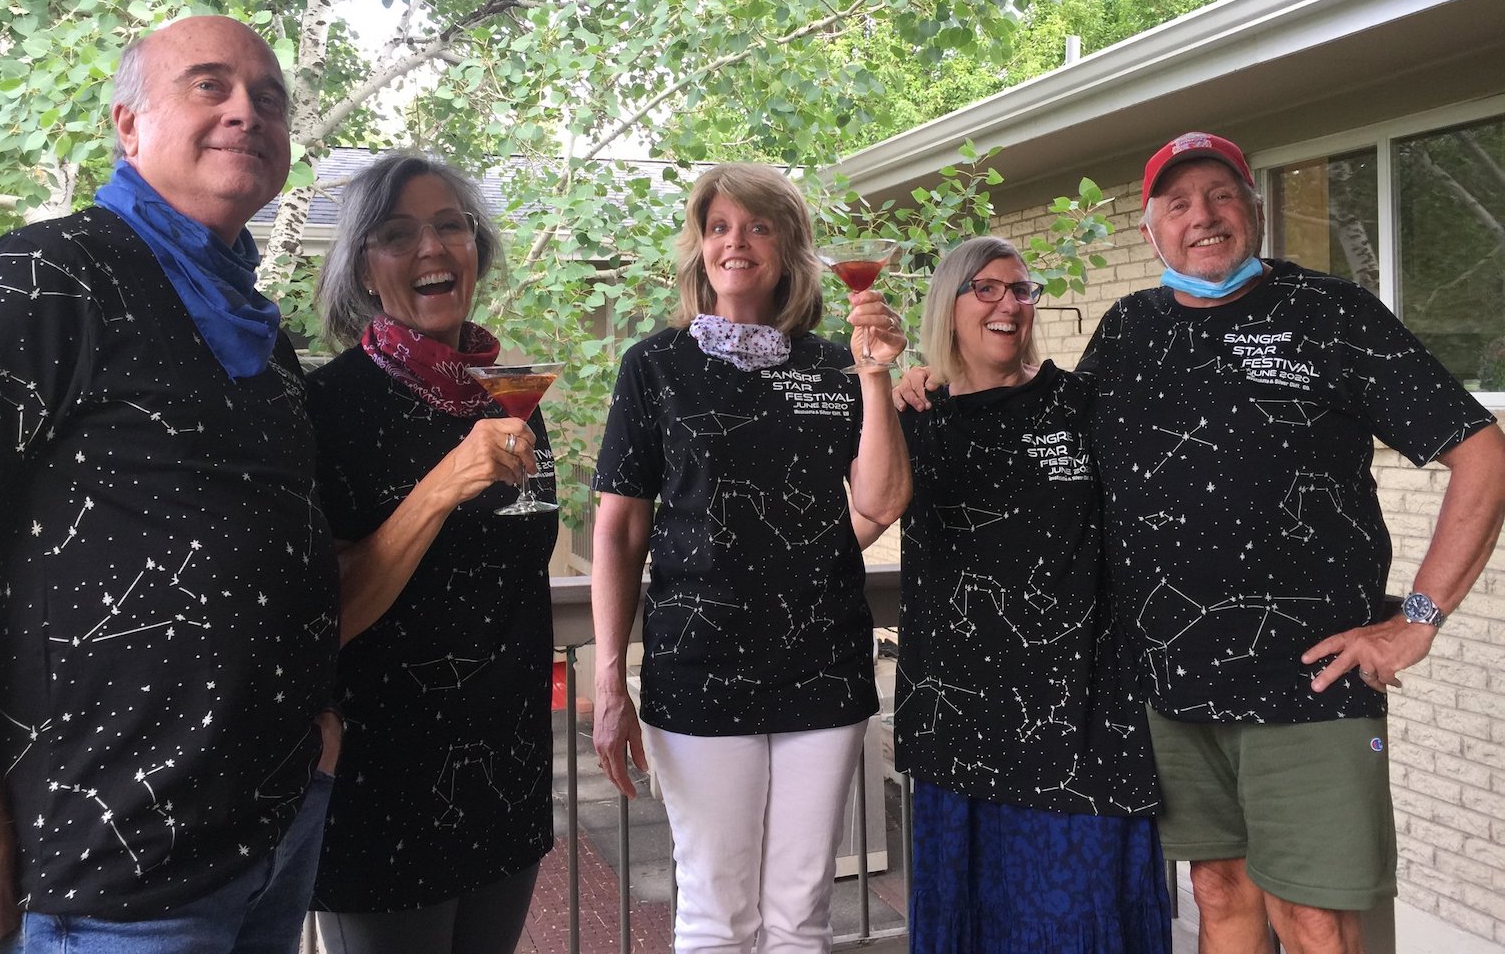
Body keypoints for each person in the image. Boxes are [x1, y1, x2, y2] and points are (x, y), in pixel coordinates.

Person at [902, 131, 1505, 954]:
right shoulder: (1128, 331)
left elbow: (1482, 453)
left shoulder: (1331, 314)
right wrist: (932, 378)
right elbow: (1037, 429)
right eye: (1178, 203)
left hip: (1309, 679)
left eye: (1222, 195)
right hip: (1167, 687)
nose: (1203, 217)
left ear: (1253, 209)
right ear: (1152, 229)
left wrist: (1420, 618)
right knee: (1219, 894)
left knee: (1316, 918)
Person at [0, 15, 341, 954]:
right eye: (208, 85)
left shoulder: (261, 335)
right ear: (127, 125)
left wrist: (315, 729)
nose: (246, 112)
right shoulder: (45, 279)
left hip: (272, 826)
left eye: (269, 98)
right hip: (112, 868)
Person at [590, 163, 912, 953]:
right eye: (721, 226)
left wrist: (876, 374)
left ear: (788, 248)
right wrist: (607, 674)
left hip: (822, 662)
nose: (738, 242)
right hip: (698, 664)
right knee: (716, 908)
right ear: (700, 246)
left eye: (759, 226)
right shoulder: (654, 365)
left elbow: (878, 501)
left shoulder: (835, 364)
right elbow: (619, 528)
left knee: (800, 910)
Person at [859, 236, 1169, 954]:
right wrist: (884, 379)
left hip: (1082, 722)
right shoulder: (915, 415)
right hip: (956, 720)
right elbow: (864, 512)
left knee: (1085, 923)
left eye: (1021, 290)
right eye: (987, 289)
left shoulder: (1082, 404)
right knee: (972, 924)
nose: (1009, 305)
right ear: (951, 304)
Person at [304, 154, 550, 954]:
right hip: (384, 788)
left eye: (452, 225)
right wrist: (445, 483)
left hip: (506, 770)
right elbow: (325, 615)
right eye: (398, 234)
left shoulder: (510, 397)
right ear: (365, 271)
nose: (433, 249)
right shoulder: (326, 406)